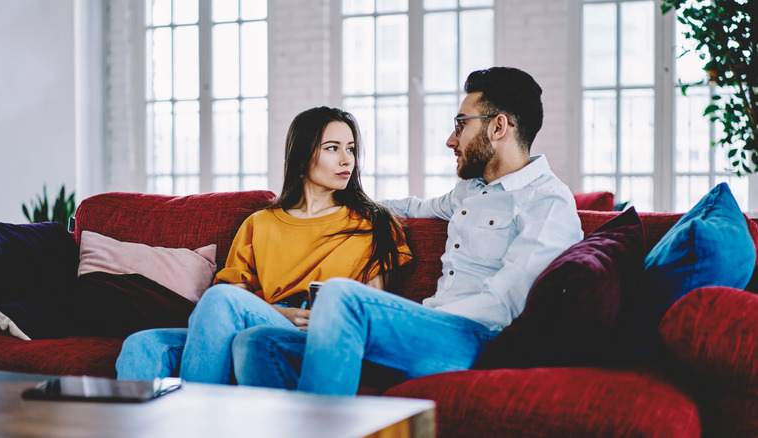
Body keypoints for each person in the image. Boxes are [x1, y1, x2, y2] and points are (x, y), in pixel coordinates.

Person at [230, 66, 584, 395]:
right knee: (258, 342)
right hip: (429, 331)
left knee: (340, 295)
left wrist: (421, 317)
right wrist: (341, 206)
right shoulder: (472, 190)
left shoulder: (548, 203)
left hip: (480, 340)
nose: (451, 139)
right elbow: (414, 208)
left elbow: (506, 304)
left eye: (461, 124)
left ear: (498, 127)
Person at [115, 106, 412, 384]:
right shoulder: (260, 223)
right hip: (261, 317)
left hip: (317, 332)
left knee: (222, 301)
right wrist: (280, 314)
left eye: (351, 149)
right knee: (141, 345)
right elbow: (235, 296)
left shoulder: (373, 224)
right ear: (300, 157)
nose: (347, 160)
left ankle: (198, 419)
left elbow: (371, 310)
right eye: (332, 148)